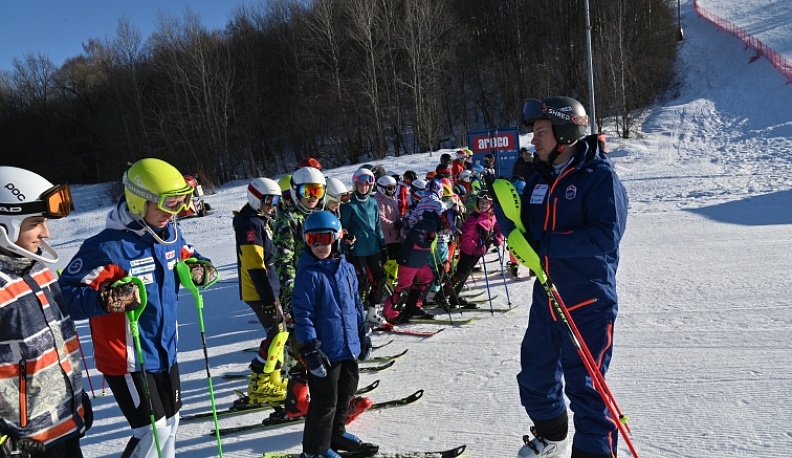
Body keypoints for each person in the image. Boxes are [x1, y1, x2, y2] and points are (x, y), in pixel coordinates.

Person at [59, 158, 217, 458]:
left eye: (181, 202)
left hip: (166, 350)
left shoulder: (168, 235)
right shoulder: (106, 248)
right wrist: (106, 299)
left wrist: (202, 271)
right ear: (137, 201)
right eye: (167, 204)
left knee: (170, 424)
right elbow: (64, 297)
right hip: (128, 359)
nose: (174, 212)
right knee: (151, 432)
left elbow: (195, 258)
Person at [501, 96, 628, 458]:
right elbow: (526, 232)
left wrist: (548, 244)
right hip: (548, 294)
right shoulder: (540, 178)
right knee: (535, 374)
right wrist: (509, 211)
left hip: (587, 298)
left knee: (587, 389)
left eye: (541, 132)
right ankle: (552, 438)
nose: (534, 140)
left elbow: (606, 235)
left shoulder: (598, 177)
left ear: (565, 133)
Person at [0, 167, 90, 458]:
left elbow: (59, 345)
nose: (46, 232)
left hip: (62, 425)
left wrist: (75, 397)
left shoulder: (39, 270)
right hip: (22, 442)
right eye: (36, 222)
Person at [292, 211, 376, 458]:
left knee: (347, 391)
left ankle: (336, 434)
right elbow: (303, 315)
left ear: (336, 238)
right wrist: (310, 349)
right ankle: (315, 450)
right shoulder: (309, 275)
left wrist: (363, 333)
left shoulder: (347, 269)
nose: (320, 246)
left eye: (325, 238)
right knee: (324, 402)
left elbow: (355, 304)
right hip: (325, 351)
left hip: (348, 346)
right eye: (313, 240)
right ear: (306, 242)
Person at [232, 177, 287, 408]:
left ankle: (272, 379)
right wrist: (268, 299)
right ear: (255, 198)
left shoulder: (260, 219)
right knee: (276, 334)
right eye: (268, 200)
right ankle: (259, 384)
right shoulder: (249, 224)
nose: (272, 205)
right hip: (259, 290)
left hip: (269, 288)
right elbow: (255, 265)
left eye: (276, 200)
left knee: (280, 333)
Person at [339, 169, 388, 329]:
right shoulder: (348, 204)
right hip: (357, 250)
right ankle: (357, 316)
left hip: (373, 247)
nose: (363, 187)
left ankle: (372, 312)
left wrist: (383, 245)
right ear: (355, 184)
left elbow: (377, 226)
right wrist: (346, 248)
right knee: (362, 283)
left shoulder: (373, 202)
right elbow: (344, 229)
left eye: (367, 185)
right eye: (360, 184)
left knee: (380, 278)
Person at [440, 190, 503, 307]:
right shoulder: (474, 218)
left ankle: (454, 297)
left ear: (491, 204)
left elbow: (497, 227)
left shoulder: (491, 215)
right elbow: (466, 237)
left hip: (479, 251)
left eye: (486, 203)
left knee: (466, 273)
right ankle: (442, 295)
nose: (483, 205)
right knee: (460, 273)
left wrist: (498, 237)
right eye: (481, 203)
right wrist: (475, 248)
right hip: (469, 251)